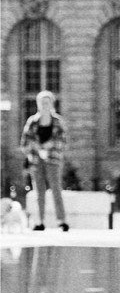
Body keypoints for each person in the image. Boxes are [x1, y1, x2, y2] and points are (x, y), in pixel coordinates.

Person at [20, 90, 69, 232]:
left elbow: (63, 141)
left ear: (51, 104)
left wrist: (49, 145)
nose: (44, 105)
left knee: (56, 189)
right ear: (38, 104)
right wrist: (35, 147)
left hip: (53, 159)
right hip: (36, 160)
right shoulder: (32, 121)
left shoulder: (57, 121)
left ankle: (62, 220)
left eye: (47, 102)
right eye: (42, 102)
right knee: (38, 191)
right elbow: (24, 142)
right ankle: (40, 221)